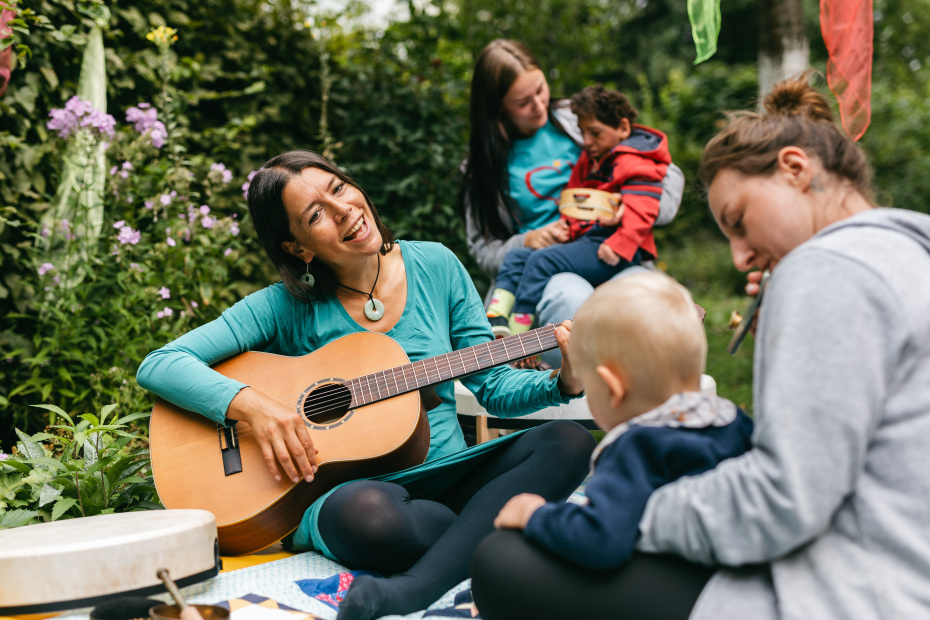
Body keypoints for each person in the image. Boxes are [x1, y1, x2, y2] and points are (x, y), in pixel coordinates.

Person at [470, 73, 930, 620]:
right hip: (898, 553)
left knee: (502, 559)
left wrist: (631, 516)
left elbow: (783, 500)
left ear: (795, 168)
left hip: (851, 587)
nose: (739, 257)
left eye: (738, 222)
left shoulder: (825, 271)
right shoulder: (905, 248)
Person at [136, 150, 596, 620]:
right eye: (316, 215)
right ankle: (486, 534)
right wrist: (252, 406)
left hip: (452, 475)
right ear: (297, 247)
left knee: (568, 442)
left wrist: (564, 380)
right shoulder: (281, 306)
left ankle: (414, 586)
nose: (344, 211)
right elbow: (161, 363)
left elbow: (493, 384)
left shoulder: (435, 265)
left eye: (338, 189)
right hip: (358, 495)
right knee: (367, 517)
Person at [472, 272, 752, 618]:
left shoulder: (636, 447)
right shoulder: (733, 421)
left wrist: (535, 515)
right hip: (735, 576)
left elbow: (598, 540)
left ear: (612, 388)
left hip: (684, 592)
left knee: (495, 557)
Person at [459, 40, 684, 365]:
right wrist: (528, 240)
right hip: (544, 269)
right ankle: (585, 400)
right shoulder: (480, 168)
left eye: (541, 90)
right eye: (523, 102)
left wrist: (632, 208)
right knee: (571, 300)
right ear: (498, 108)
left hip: (611, 250)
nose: (539, 105)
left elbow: (665, 172)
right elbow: (482, 249)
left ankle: (649, 402)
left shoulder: (579, 118)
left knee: (651, 296)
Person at [485, 86, 672, 337]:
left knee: (543, 261)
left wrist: (621, 243)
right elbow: (575, 199)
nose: (587, 141)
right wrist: (569, 228)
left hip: (615, 249)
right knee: (518, 256)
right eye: (583, 132)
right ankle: (496, 317)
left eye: (595, 133)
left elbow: (643, 209)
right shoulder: (591, 158)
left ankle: (520, 333)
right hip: (588, 240)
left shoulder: (636, 162)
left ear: (623, 128)